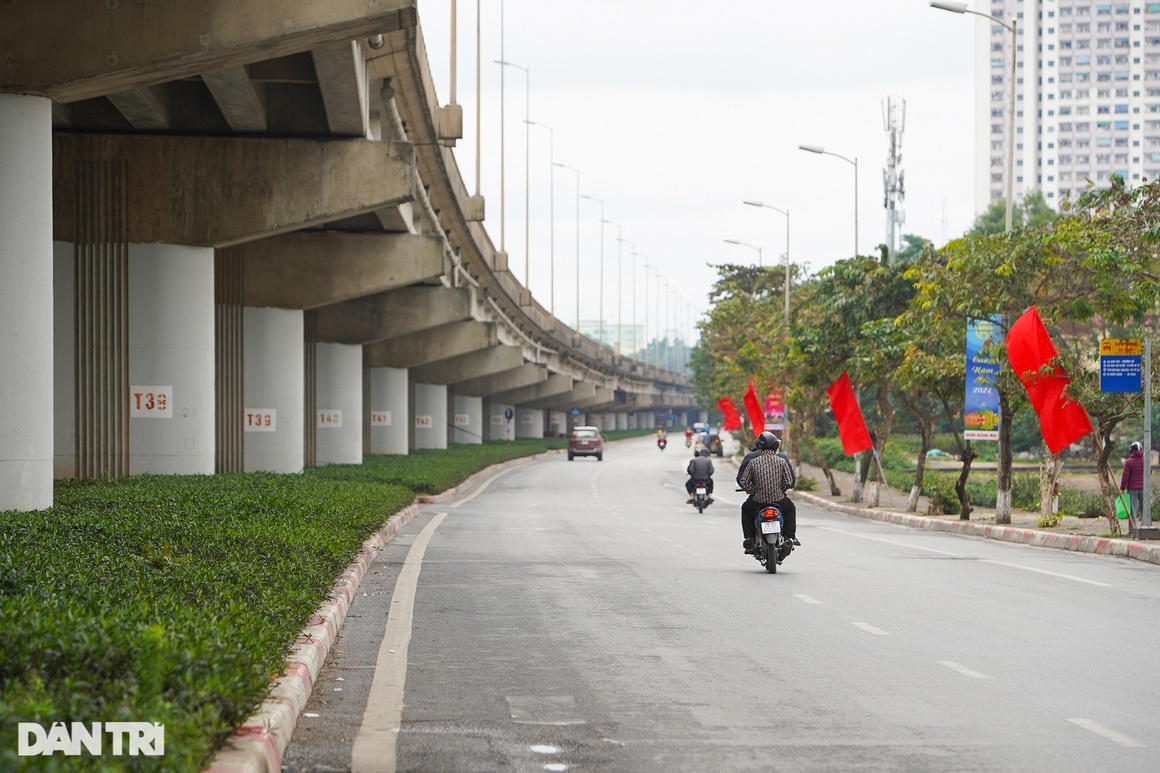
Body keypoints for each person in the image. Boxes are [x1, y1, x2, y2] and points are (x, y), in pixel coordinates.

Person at [736, 431, 798, 554]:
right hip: (779, 500)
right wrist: (781, 490)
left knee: (746, 509)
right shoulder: (781, 461)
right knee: (790, 509)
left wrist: (753, 491)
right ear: (775, 446)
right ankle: (790, 537)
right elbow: (789, 481)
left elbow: (743, 481)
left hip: (757, 501)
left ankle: (750, 539)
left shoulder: (753, 461)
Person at [1120, 441, 1145, 523]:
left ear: (1131, 450)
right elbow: (1150, 471)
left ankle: (1132, 530)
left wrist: (1122, 488)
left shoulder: (1128, 462)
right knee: (1144, 508)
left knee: (1132, 509)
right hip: (1143, 488)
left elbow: (1125, 476)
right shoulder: (1145, 461)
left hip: (1132, 489)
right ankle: (1145, 526)